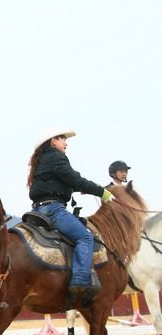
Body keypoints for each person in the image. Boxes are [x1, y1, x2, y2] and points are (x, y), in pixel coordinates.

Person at [27, 128, 115, 306]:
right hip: (54, 210)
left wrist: (75, 187)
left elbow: (59, 182)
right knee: (85, 236)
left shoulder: (42, 160)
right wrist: (102, 192)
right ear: (53, 141)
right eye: (62, 139)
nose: (65, 143)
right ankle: (81, 280)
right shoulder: (56, 157)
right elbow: (74, 178)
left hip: (37, 211)